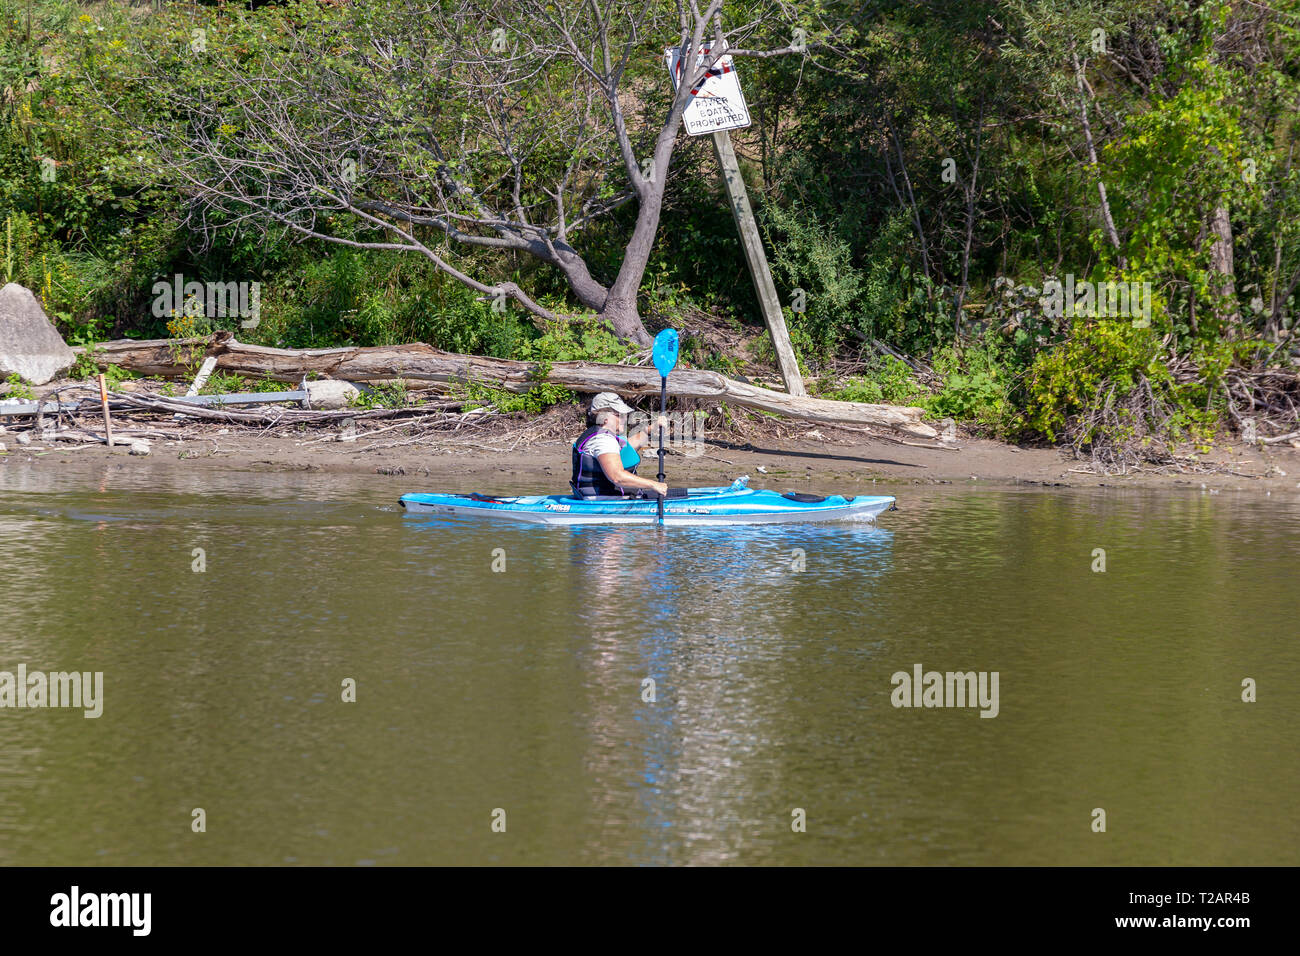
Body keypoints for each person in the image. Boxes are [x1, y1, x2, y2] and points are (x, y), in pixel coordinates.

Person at [571, 393, 669, 498]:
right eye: (618, 415)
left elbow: (626, 448)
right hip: (605, 502)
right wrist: (653, 484)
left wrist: (649, 430)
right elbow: (617, 477)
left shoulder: (600, 435)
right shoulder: (603, 440)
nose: (624, 418)